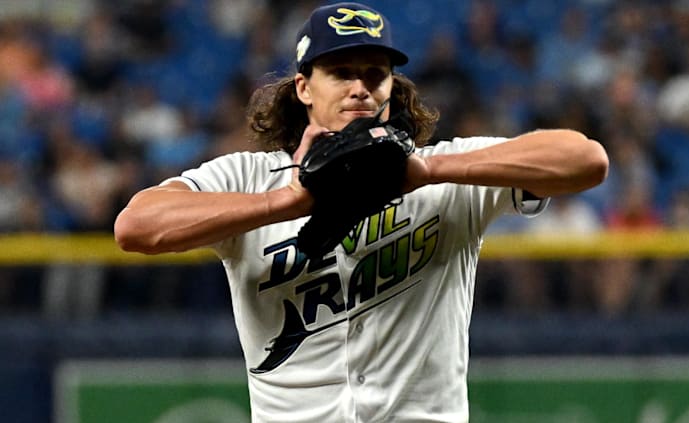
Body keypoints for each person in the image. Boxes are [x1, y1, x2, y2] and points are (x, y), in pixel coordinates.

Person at [114, 2, 609, 422]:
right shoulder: (249, 177)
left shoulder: (444, 172)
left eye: (375, 74)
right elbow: (135, 226)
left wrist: (434, 172)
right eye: (342, 72)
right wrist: (285, 203)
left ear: (392, 87)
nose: (360, 87)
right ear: (304, 88)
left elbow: (586, 159)